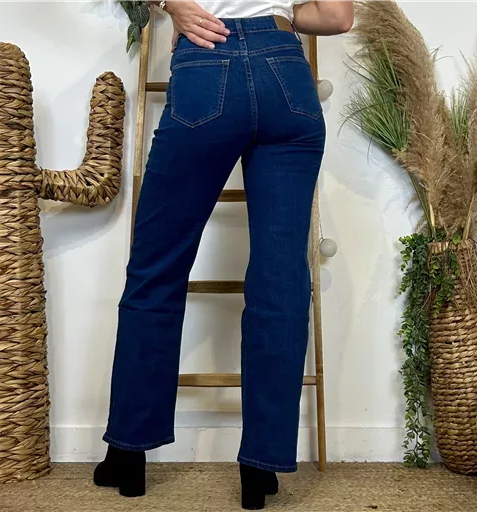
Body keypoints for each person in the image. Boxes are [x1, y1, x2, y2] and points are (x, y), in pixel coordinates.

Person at [94, 0, 353, 509]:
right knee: (281, 279)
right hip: (287, 71)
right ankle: (261, 466)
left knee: (157, 268)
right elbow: (338, 17)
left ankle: (128, 453)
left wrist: (173, 6)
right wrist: (280, 16)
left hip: (206, 60)